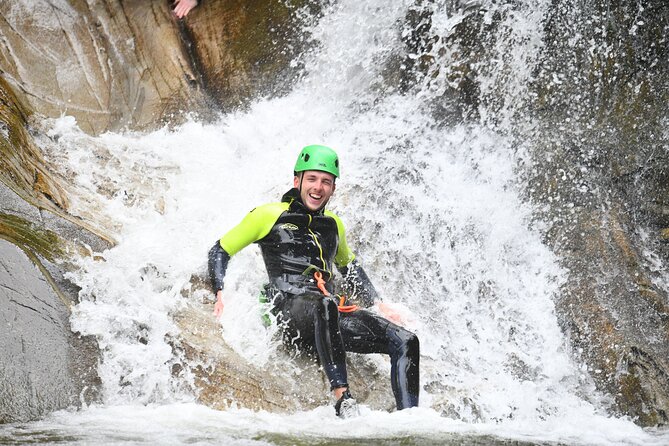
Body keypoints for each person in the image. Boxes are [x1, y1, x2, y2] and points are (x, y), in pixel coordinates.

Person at [208, 145, 420, 418]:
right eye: (312, 179)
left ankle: (411, 420)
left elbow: (349, 266)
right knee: (324, 304)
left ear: (333, 188)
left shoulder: (334, 225)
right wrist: (219, 291)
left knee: (405, 340)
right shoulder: (268, 215)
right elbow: (221, 249)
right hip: (288, 309)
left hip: (327, 314)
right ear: (297, 181)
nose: (318, 187)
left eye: (326, 182)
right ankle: (343, 399)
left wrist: (378, 303)